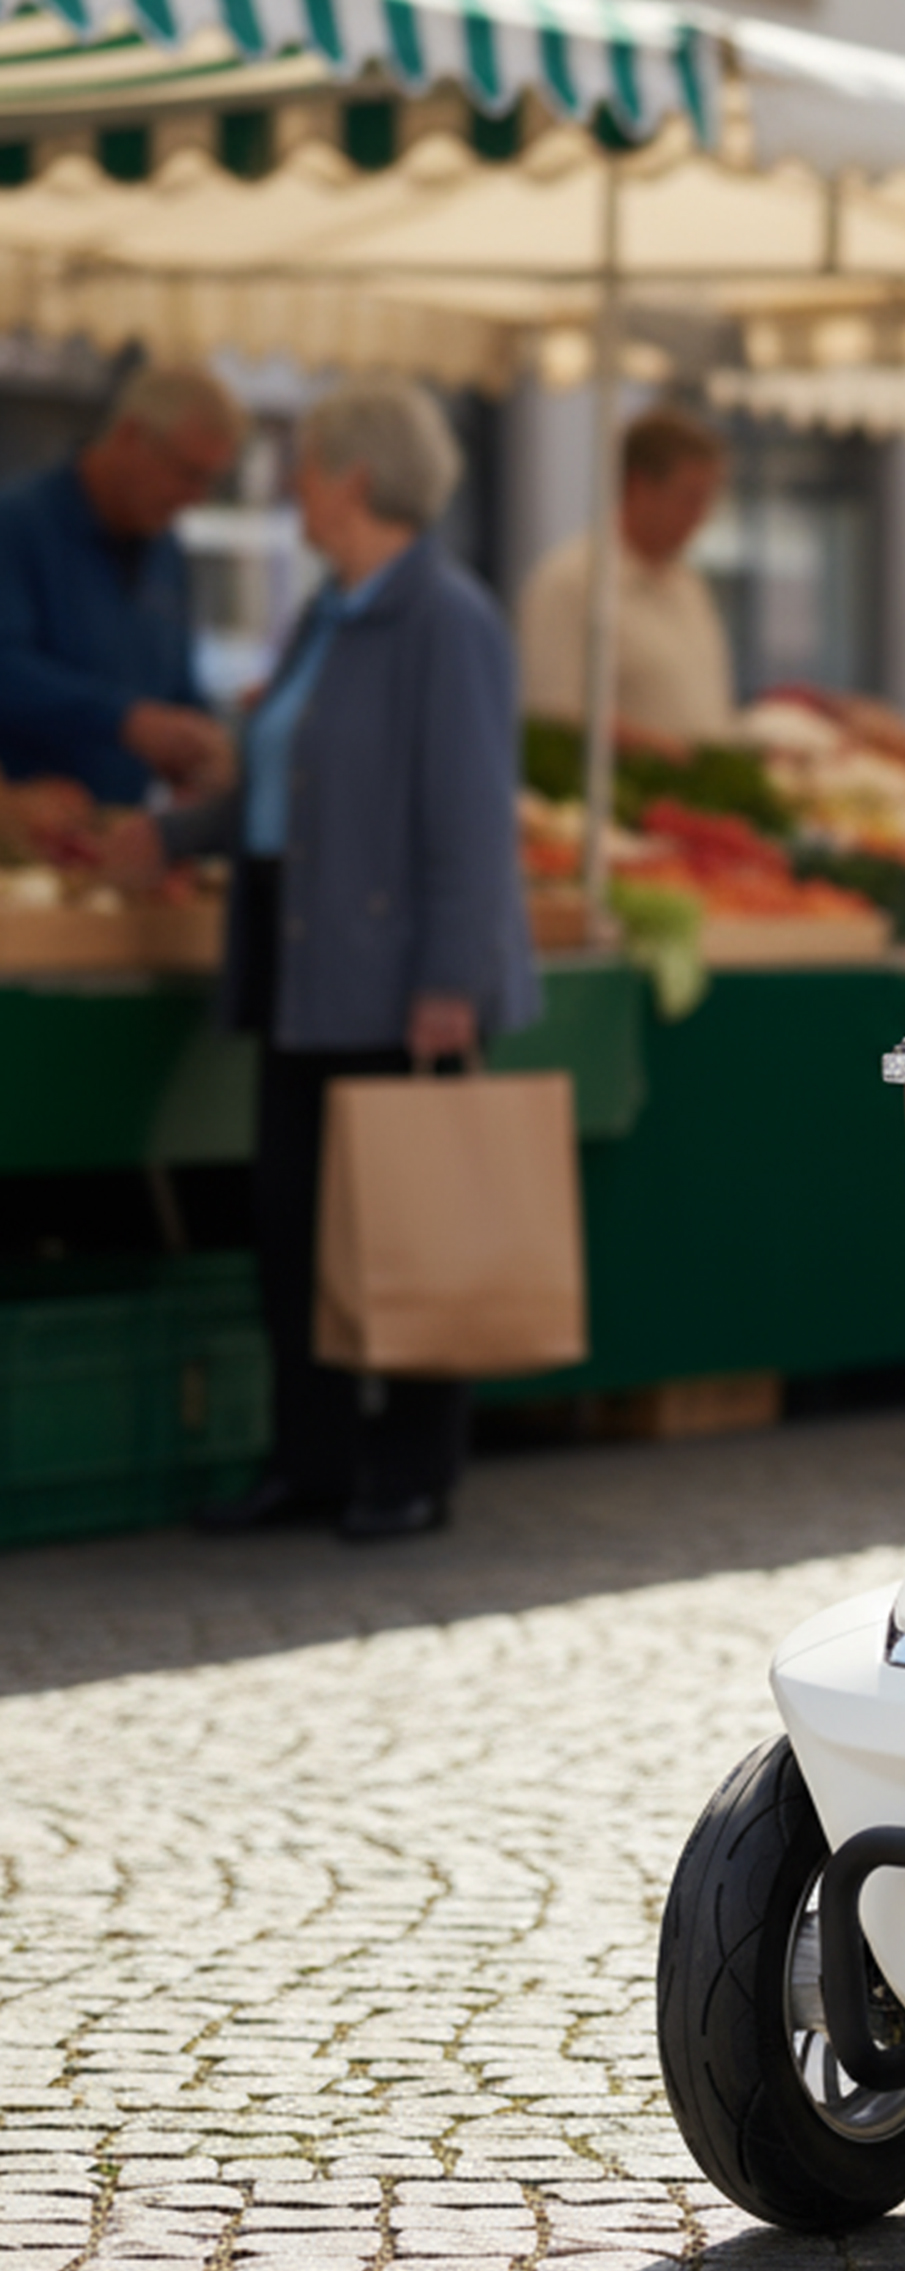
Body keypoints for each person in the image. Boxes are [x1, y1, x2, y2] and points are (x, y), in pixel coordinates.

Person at [105, 380, 540, 1541]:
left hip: (398, 979)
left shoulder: (449, 619)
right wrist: (171, 832)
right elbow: (268, 780)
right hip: (305, 966)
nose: (290, 484)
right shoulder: (328, 612)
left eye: (304, 464)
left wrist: (450, 980)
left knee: (411, 1218)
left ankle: (408, 1467)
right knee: (296, 1228)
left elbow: (464, 817)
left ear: (354, 476)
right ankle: (311, 1460)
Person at [0, 363, 244, 804]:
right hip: (21, 842)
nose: (195, 498)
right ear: (131, 436)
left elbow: (179, 689)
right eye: (188, 473)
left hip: (118, 841)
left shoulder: (167, 550)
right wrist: (125, 721)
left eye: (210, 481)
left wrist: (202, 744)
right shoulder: (18, 527)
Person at [517, 405, 736, 750]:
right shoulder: (572, 581)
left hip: (697, 795)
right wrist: (659, 749)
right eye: (690, 498)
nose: (702, 517)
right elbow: (553, 716)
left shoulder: (689, 583)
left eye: (709, 499)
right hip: (621, 797)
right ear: (638, 487)